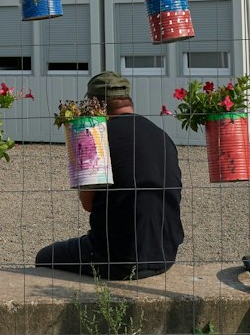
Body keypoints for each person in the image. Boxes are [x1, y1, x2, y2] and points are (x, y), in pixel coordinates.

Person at [35, 71, 184, 280]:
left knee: (44, 258)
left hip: (115, 259)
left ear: (94, 106)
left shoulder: (95, 138)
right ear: (128, 100)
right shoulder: (161, 135)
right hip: (165, 255)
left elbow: (87, 203)